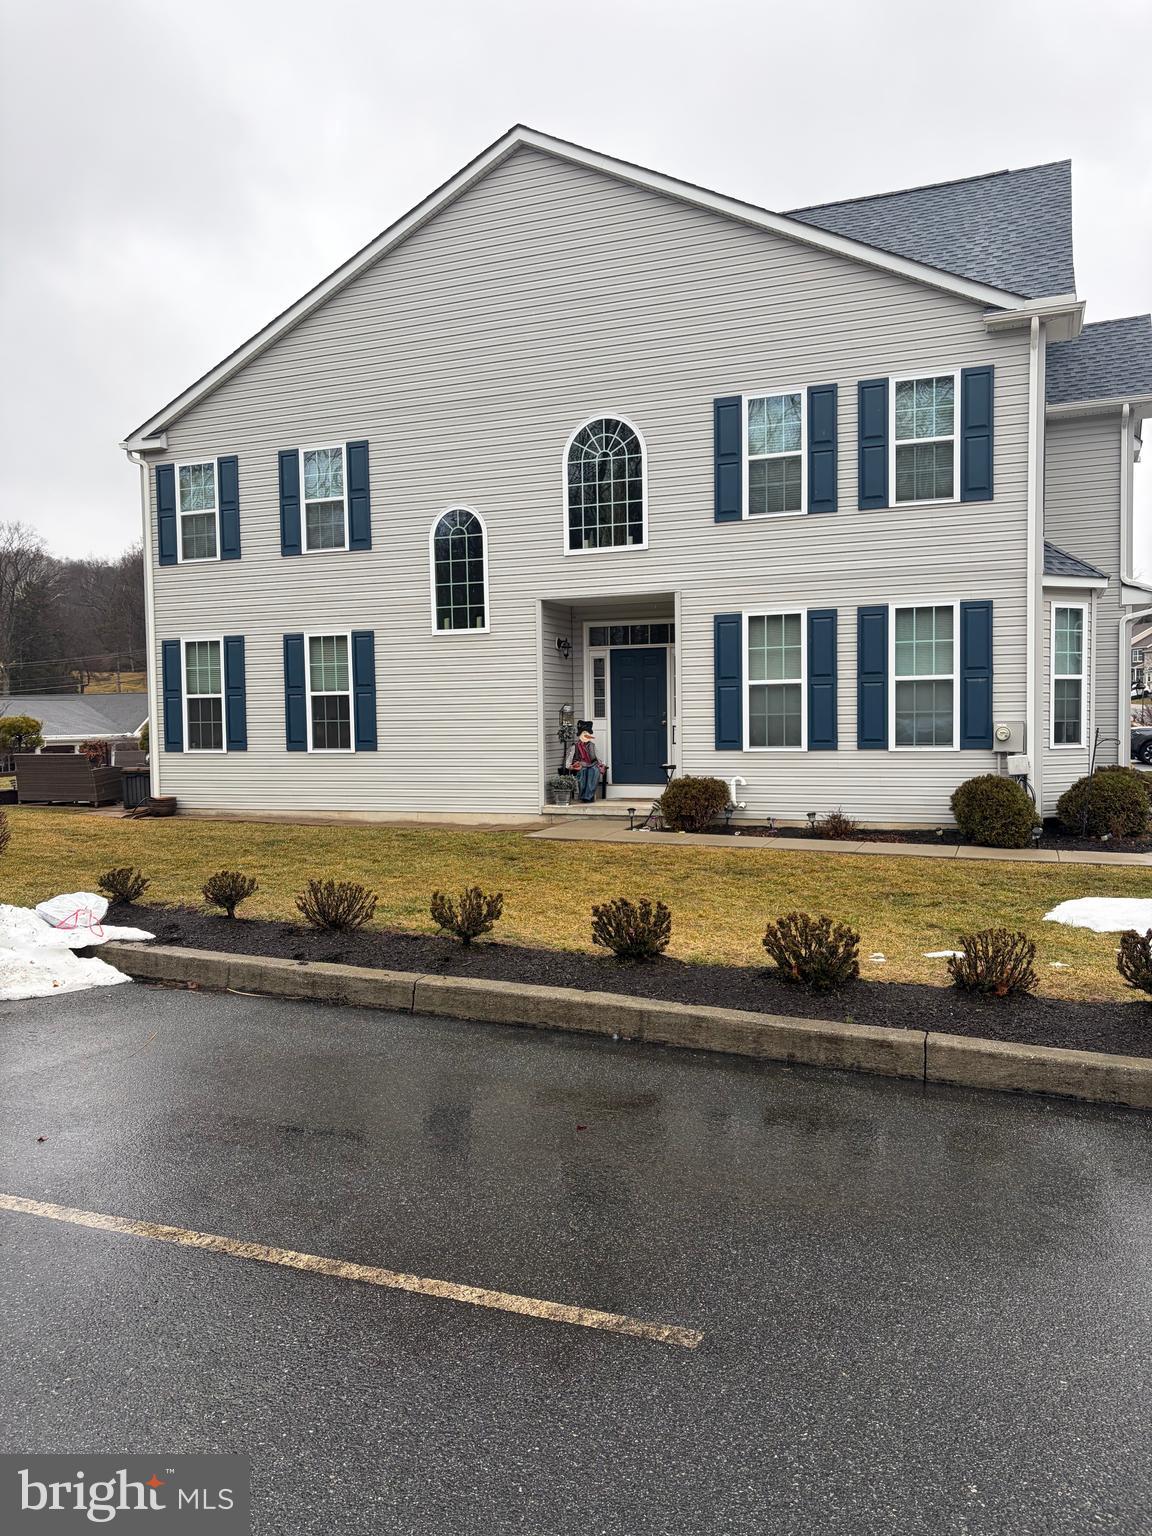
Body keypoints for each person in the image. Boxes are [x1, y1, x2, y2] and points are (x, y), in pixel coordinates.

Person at [564, 721, 603, 802]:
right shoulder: (575, 746)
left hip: (591, 764)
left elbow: (597, 757)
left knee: (594, 771)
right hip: (580, 765)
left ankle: (589, 796)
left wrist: (601, 764)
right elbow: (570, 759)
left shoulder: (592, 745)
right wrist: (569, 766)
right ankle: (584, 796)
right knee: (583, 772)